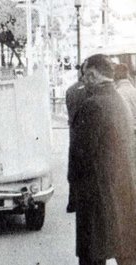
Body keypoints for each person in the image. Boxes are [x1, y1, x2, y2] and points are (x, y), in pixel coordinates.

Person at [68, 54, 136, 265]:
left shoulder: (93, 105)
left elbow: (79, 156)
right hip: (121, 191)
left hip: (95, 196)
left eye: (85, 76)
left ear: (92, 75)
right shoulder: (120, 101)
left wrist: (74, 191)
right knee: (124, 251)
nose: (83, 81)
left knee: (92, 255)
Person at [65, 62, 88, 213]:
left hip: (74, 133)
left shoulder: (70, 90)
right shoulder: (91, 91)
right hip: (87, 131)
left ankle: (73, 200)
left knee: (74, 166)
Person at [114, 63, 136, 130]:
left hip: (126, 130)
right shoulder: (134, 90)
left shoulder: (116, 93)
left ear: (115, 76)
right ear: (127, 74)